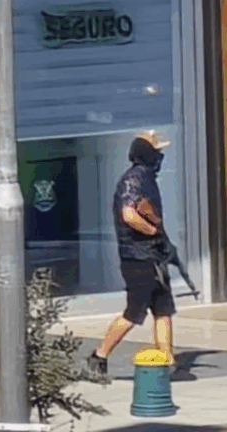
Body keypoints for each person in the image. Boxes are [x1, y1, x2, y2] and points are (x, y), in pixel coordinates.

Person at [86, 131, 175, 376]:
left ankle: (166, 361)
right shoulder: (133, 179)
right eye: (156, 152)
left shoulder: (146, 178)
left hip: (153, 255)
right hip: (138, 257)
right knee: (134, 313)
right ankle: (99, 356)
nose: (160, 157)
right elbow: (129, 215)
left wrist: (162, 242)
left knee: (163, 308)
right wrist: (151, 231)